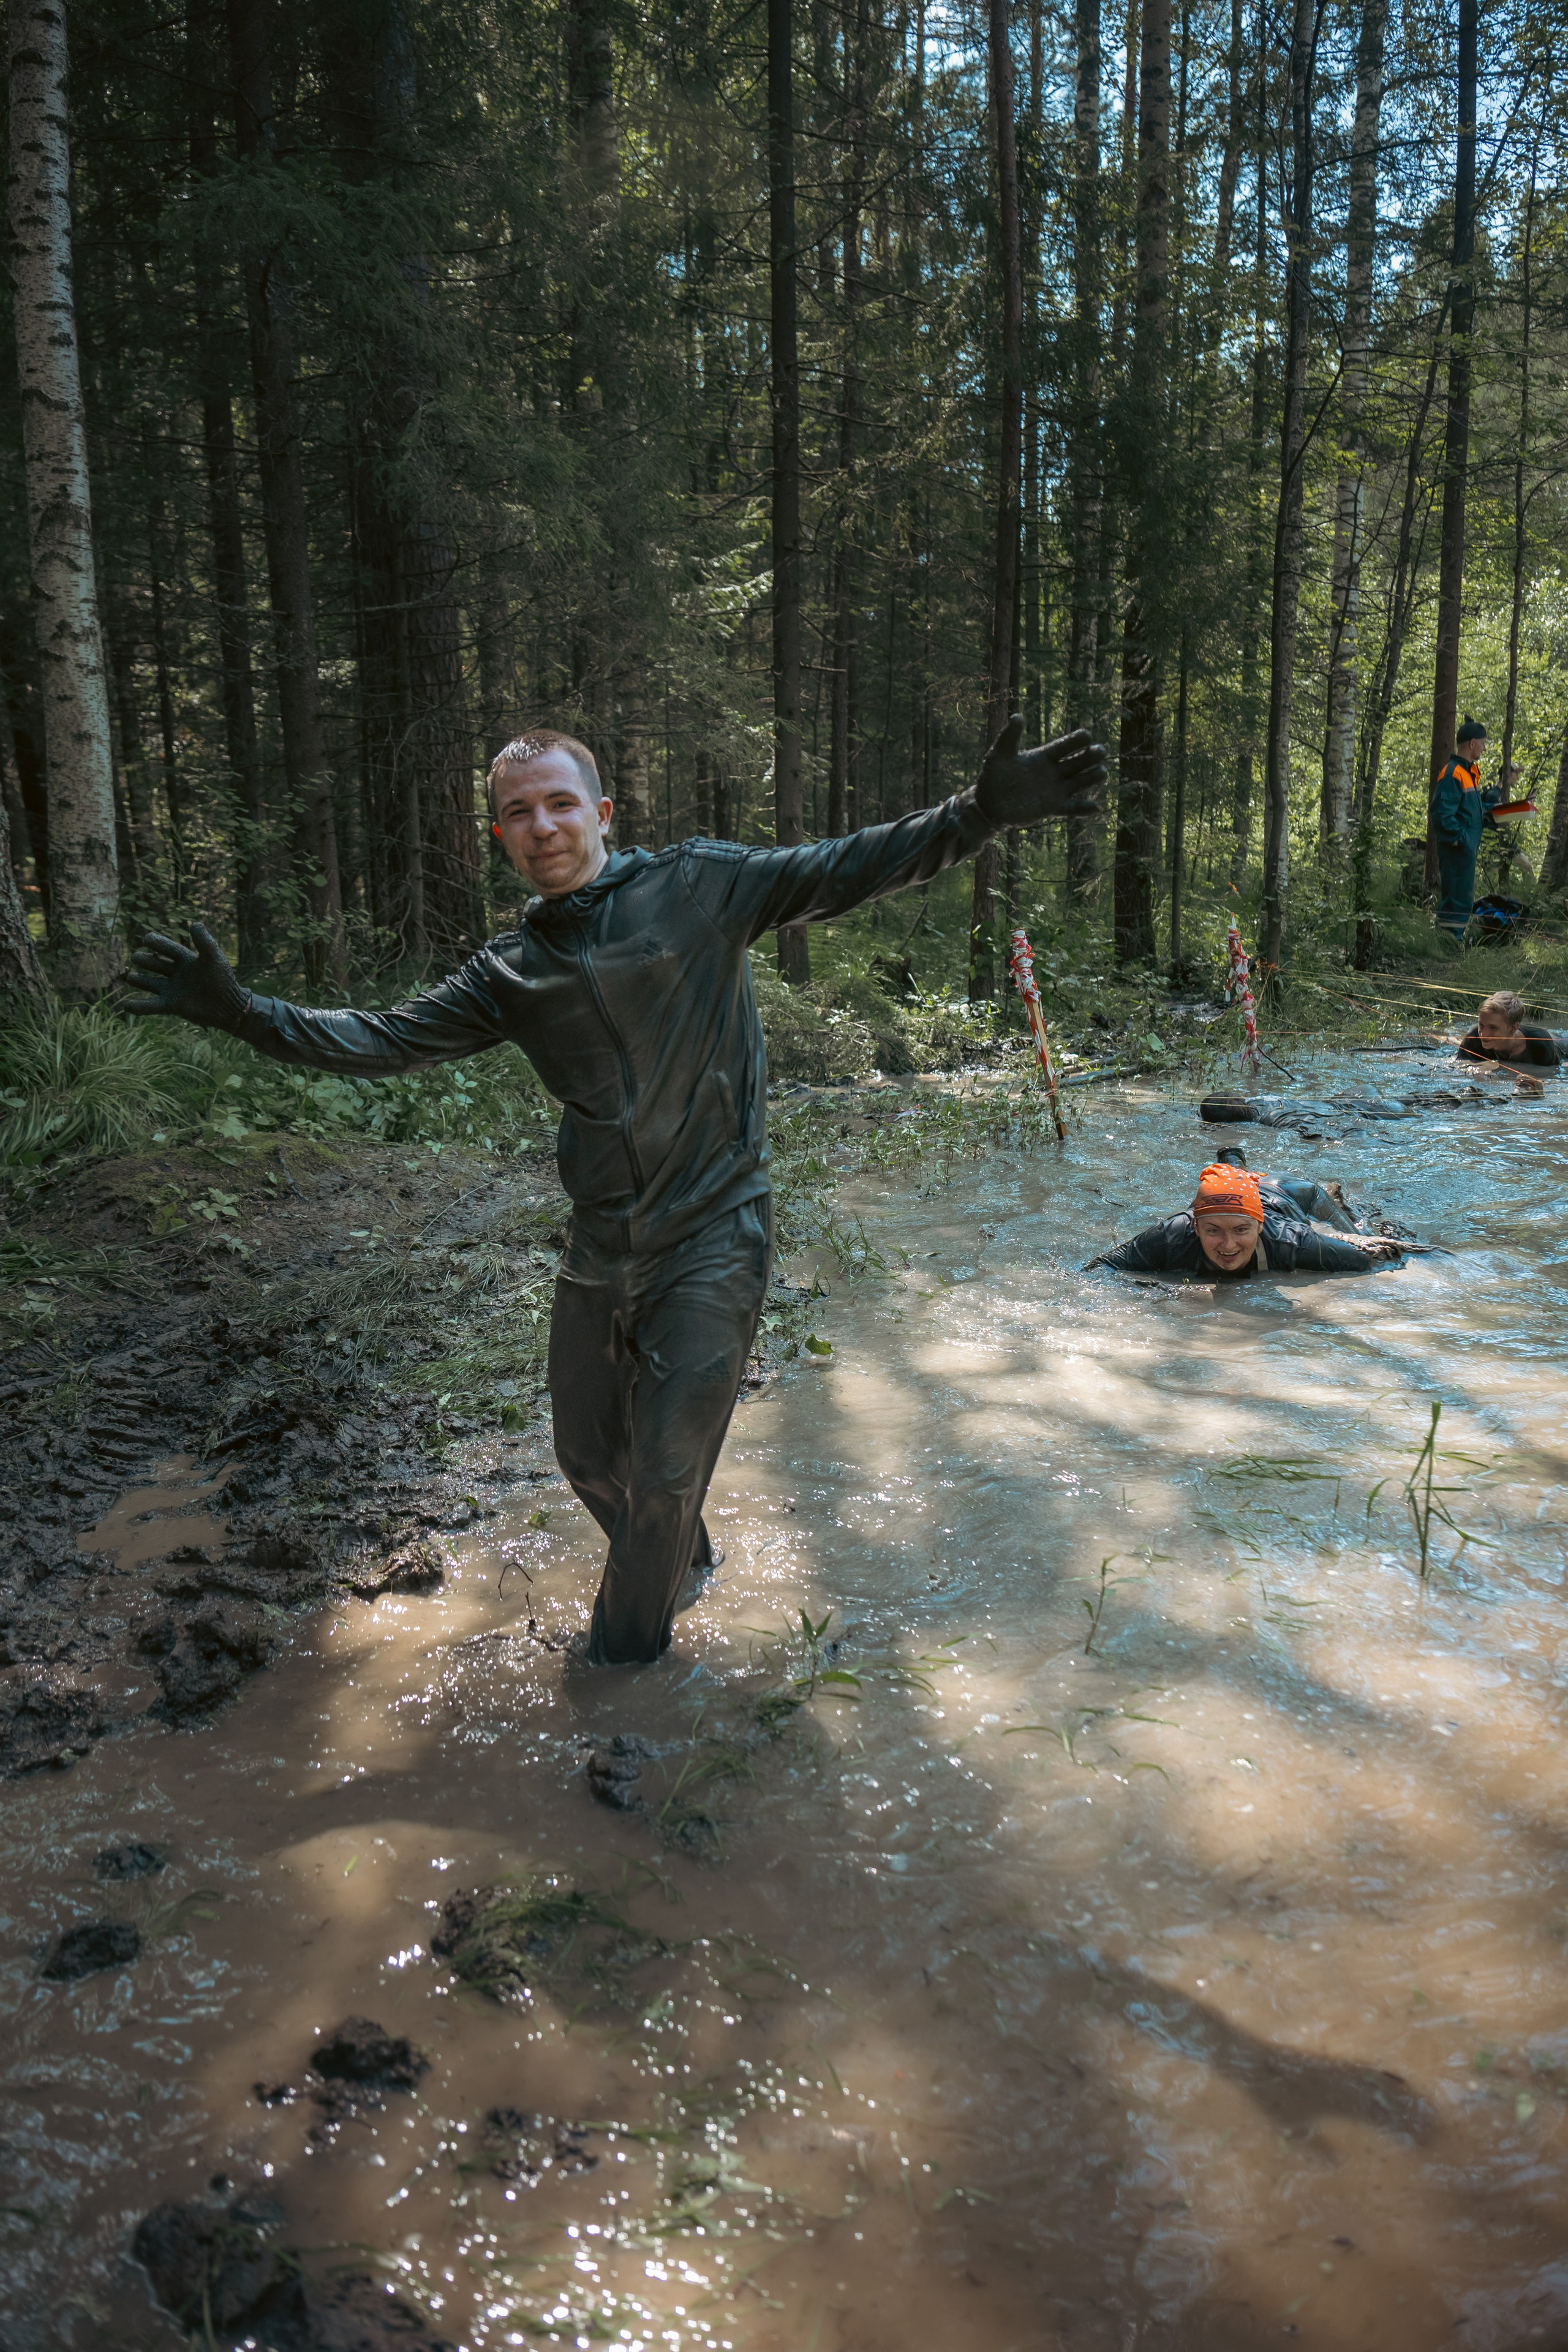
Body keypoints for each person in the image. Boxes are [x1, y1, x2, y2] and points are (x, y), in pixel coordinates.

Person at [125, 714, 1107, 1667]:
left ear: (603, 813)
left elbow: (845, 866)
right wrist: (245, 1013)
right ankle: (688, 1559)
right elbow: (382, 1040)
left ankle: (618, 1688)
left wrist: (974, 814)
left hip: (715, 1233)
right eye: (520, 812)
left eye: (560, 804)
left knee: (666, 1475)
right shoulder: (509, 971)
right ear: (501, 835)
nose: (543, 826)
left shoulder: (698, 887)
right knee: (589, 1459)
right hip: (600, 1249)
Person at [1088, 1164, 1403, 1281]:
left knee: (1359, 1233)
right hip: (1236, 1201)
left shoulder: (1294, 1243)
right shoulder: (1171, 1235)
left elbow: (1373, 1265)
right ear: (1195, 1228)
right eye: (1213, 1232)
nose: (1228, 1246)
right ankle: (1232, 1162)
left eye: (1241, 1231)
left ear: (1260, 1227)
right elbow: (1102, 1267)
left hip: (1292, 1193)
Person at [1431, 717, 1501, 947]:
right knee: (1455, 898)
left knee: (1462, 897)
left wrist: (1499, 812)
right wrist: (1462, 841)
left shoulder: (1468, 773)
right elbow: (1442, 815)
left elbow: (1471, 810)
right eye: (1482, 743)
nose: (1484, 747)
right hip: (1457, 850)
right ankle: (1449, 945)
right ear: (1472, 744)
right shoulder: (1452, 773)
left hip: (1465, 849)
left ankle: (1453, 942)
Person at [1456, 989, 1559, 1081]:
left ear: (1513, 1028)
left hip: (1559, 1046)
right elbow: (1459, 1070)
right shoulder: (1474, 1037)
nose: (1483, 1034)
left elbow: (1554, 1076)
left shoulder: (1540, 1043)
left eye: (1493, 1028)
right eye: (1481, 1025)